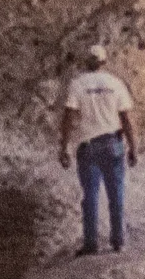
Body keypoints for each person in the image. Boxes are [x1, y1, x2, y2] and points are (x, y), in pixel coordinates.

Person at [57, 43, 138, 254]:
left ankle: (91, 244)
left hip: (89, 146)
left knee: (90, 196)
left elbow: (68, 117)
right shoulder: (116, 83)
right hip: (113, 143)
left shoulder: (78, 84)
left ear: (86, 61)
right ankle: (118, 241)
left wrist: (64, 146)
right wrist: (133, 147)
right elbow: (126, 118)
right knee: (116, 193)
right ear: (104, 62)